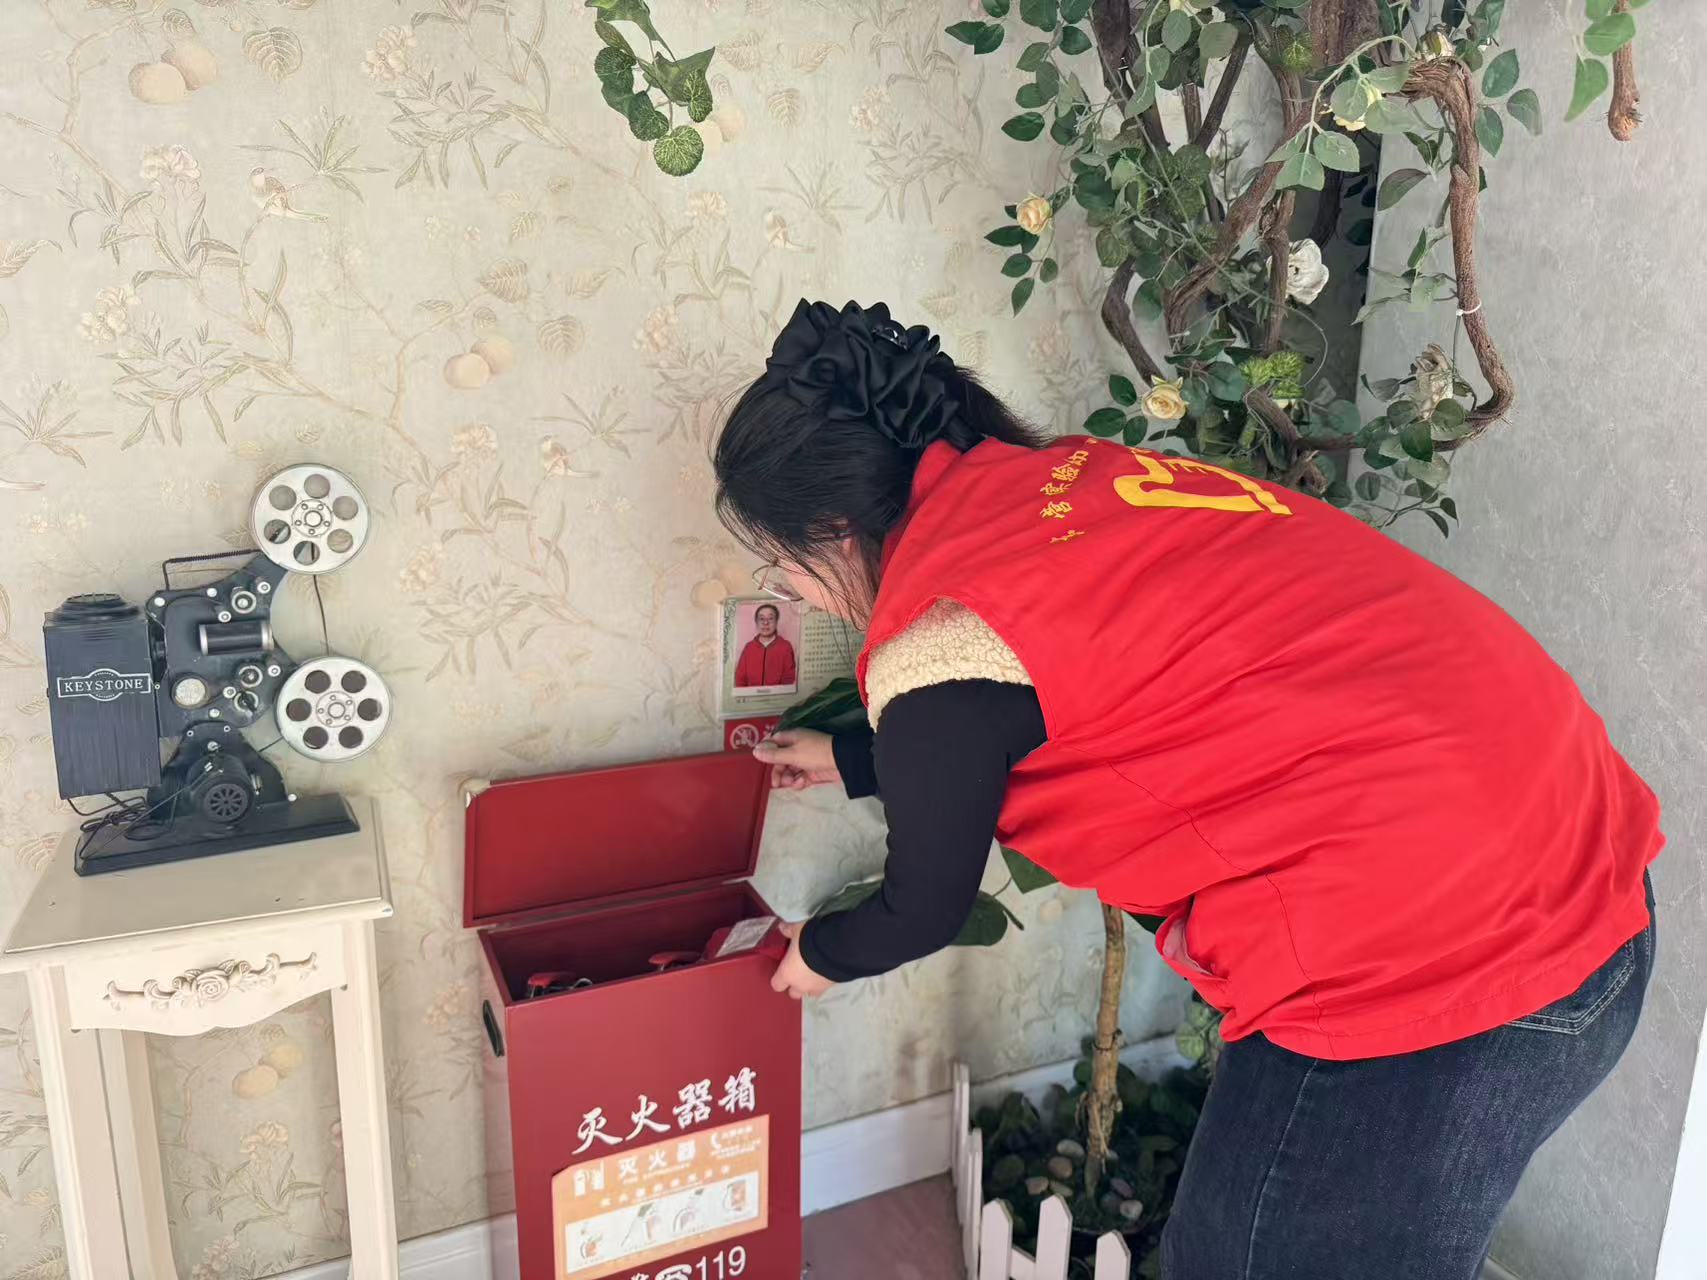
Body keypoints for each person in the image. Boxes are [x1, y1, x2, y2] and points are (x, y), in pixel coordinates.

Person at [711, 300, 1661, 1279]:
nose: (794, 592)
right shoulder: (1060, 482)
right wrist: (856, 757)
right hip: (1578, 851)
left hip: (1449, 969)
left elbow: (921, 903)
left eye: (782, 568)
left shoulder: (938, 643)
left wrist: (817, 954)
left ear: (835, 530)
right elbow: (1049, 691)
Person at [733, 602, 796, 688]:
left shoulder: (786, 647)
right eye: (761, 619)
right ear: (756, 622)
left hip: (778, 695)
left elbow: (789, 678)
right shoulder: (749, 647)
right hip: (751, 695)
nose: (766, 622)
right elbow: (740, 678)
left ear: (776, 622)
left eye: (770, 618)